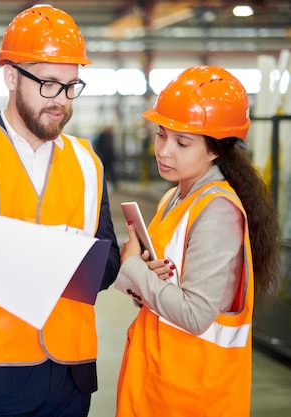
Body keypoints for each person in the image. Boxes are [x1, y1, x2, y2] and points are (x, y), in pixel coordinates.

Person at [0, 5, 120, 417]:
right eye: (49, 84)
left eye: (71, 86)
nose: (62, 101)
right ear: (11, 76)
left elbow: (108, 262)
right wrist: (0, 243)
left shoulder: (89, 161)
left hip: (71, 374)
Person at [115, 65, 281, 417]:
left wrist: (133, 268)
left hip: (192, 395)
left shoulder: (217, 211)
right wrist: (144, 275)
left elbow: (195, 314)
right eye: (161, 135)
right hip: (158, 378)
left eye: (182, 142)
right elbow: (166, 281)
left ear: (216, 150)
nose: (164, 151)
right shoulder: (174, 197)